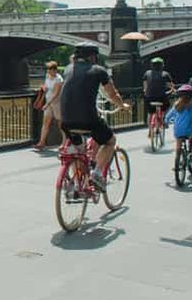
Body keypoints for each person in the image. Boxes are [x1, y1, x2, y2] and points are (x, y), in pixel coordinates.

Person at [59, 42, 130, 191]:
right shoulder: (98, 70)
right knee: (110, 141)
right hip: (88, 120)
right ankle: (97, 174)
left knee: (78, 150)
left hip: (65, 120)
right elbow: (112, 94)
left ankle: (78, 184)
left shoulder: (67, 69)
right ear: (93, 57)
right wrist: (122, 106)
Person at [33, 61, 64, 151]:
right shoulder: (48, 76)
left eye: (50, 70)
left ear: (54, 70)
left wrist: (47, 104)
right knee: (46, 122)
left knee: (60, 123)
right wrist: (44, 88)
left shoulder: (59, 79)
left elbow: (56, 94)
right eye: (48, 70)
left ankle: (64, 142)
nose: (48, 72)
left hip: (56, 103)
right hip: (48, 102)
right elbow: (47, 88)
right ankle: (41, 142)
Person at [142, 57, 174, 137]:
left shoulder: (147, 73)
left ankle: (150, 130)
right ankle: (163, 120)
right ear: (162, 65)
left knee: (150, 113)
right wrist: (172, 90)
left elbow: (145, 87)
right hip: (162, 97)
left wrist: (146, 92)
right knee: (166, 106)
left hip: (149, 97)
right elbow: (171, 86)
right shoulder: (165, 74)